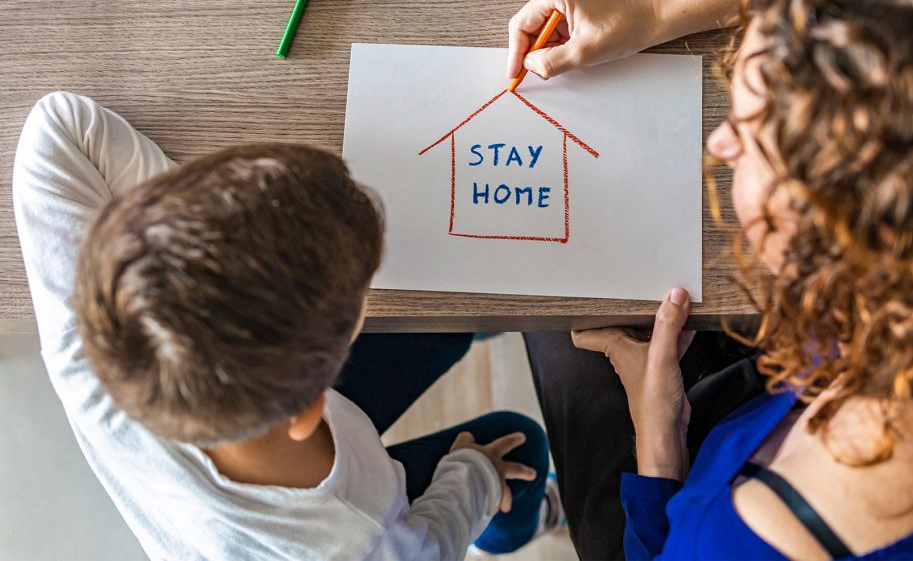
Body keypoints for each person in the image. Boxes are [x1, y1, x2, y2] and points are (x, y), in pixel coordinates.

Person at [511, 0, 913, 559]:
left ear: (854, 230)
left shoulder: (732, 537)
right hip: (780, 399)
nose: (720, 142)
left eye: (754, 136)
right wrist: (649, 16)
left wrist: (656, 439)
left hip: (682, 497)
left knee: (564, 333)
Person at [12, 91, 562, 560]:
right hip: (347, 501)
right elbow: (430, 545)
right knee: (520, 446)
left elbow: (58, 124)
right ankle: (525, 524)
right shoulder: (357, 539)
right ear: (310, 404)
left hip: (263, 426)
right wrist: (474, 478)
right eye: (359, 293)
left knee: (449, 324)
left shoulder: (94, 341)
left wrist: (207, 242)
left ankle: (473, 328)